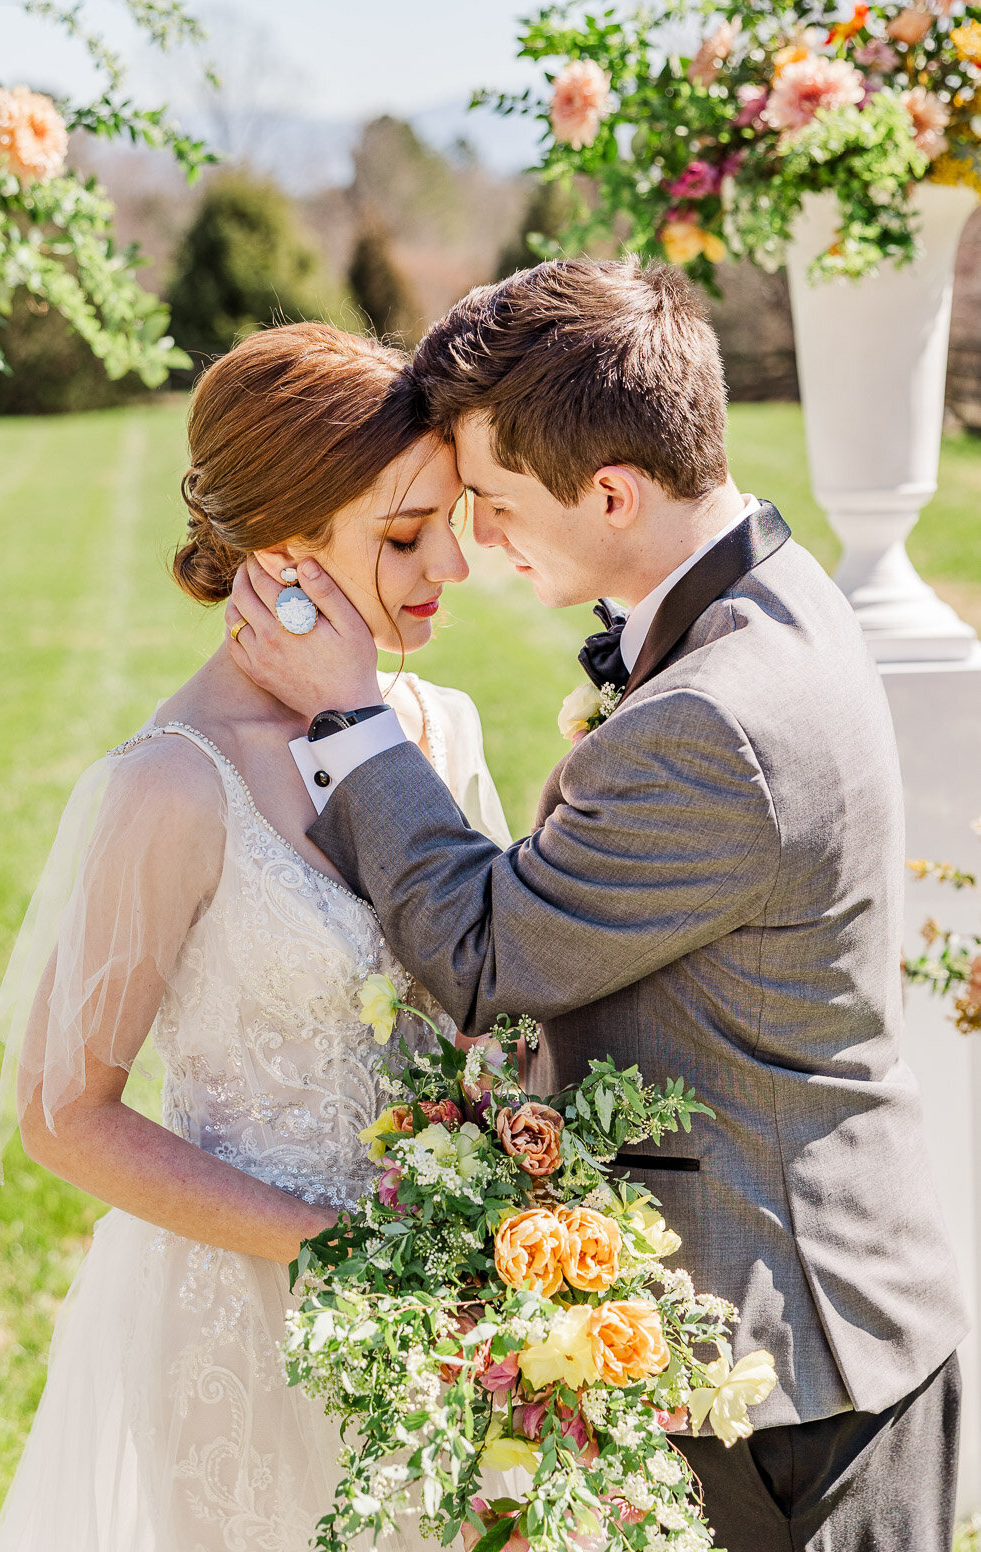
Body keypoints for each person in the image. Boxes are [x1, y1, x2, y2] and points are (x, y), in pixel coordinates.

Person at [226, 258, 968, 1552]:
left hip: (786, 1372)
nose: (476, 544)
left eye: (494, 502)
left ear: (610, 491)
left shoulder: (709, 722)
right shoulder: (762, 591)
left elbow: (481, 951)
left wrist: (347, 712)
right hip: (822, 1316)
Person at [0, 323, 511, 1551]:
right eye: (403, 534)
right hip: (241, 1328)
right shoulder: (173, 789)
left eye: (451, 520)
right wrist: (338, 1255)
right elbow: (63, 1111)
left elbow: (502, 992)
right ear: (281, 548)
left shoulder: (441, 726)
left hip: (453, 1320)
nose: (453, 561)